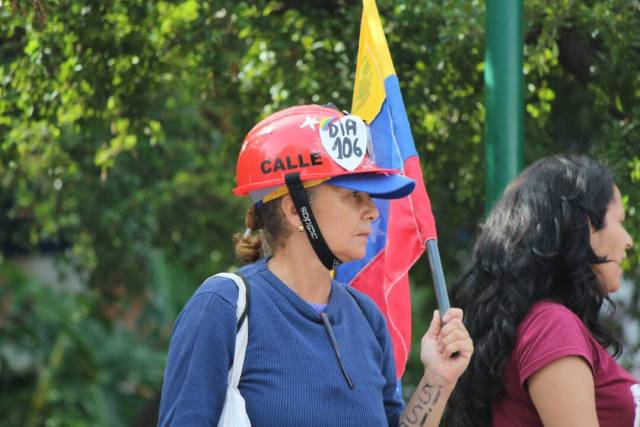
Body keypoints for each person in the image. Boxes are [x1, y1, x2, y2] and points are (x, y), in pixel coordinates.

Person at [157, 104, 473, 426]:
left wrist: (438, 377)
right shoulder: (222, 306)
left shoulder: (366, 315)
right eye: (354, 195)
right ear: (296, 210)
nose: (373, 212)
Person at [445, 154, 639, 427]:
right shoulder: (551, 326)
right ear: (587, 227)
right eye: (620, 221)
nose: (628, 240)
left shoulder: (541, 323)